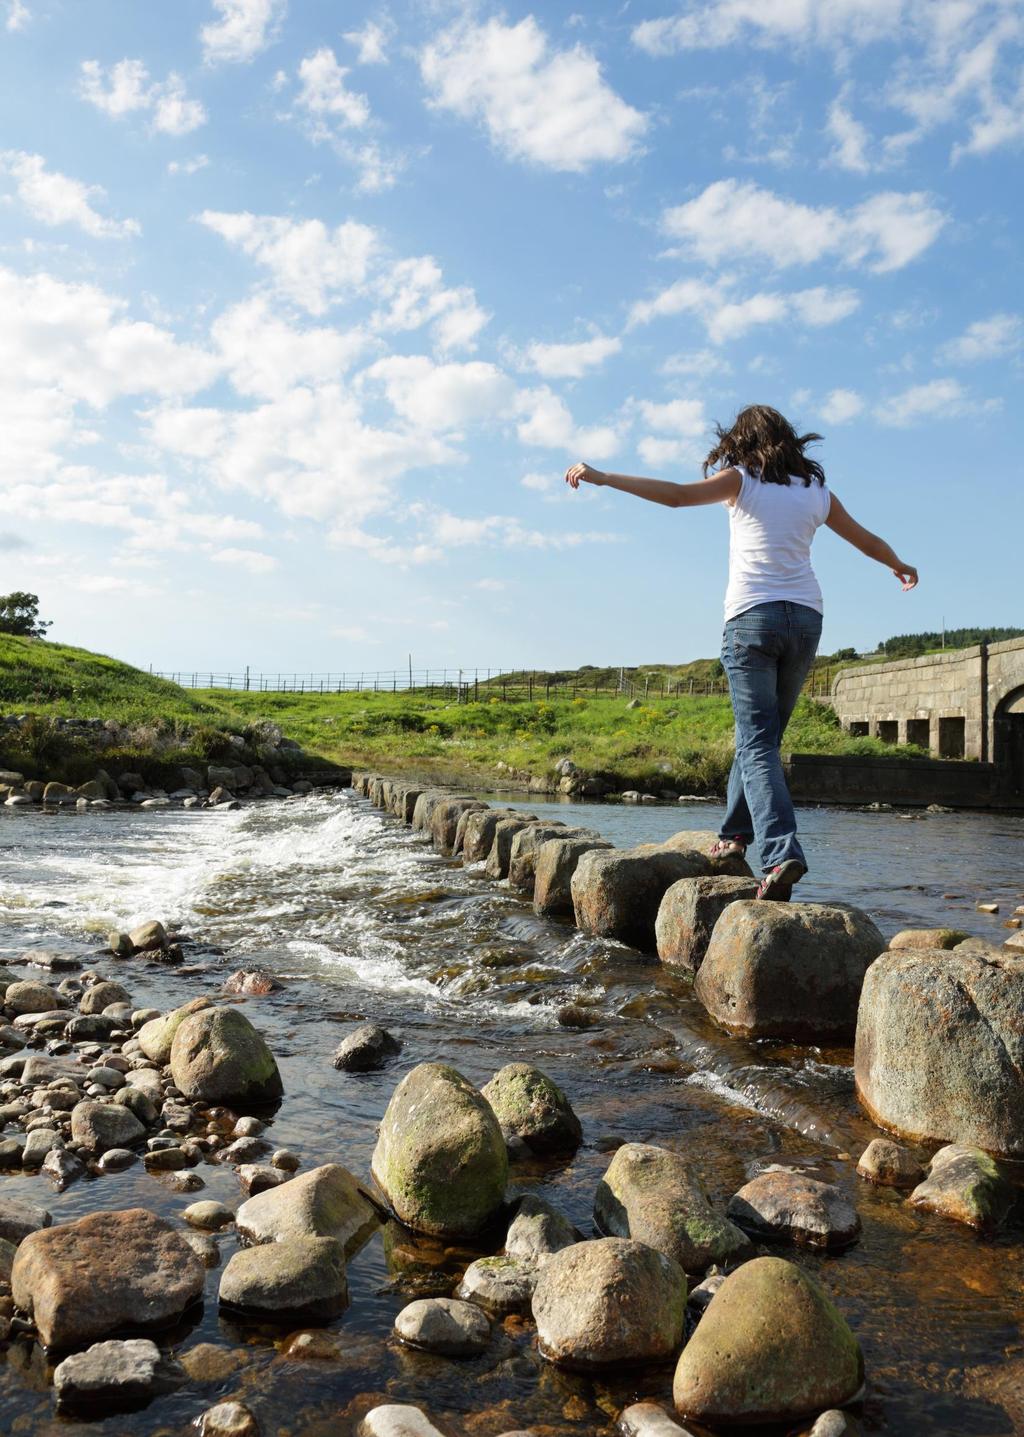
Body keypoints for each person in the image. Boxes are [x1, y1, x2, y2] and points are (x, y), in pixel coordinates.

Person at [565, 404, 918, 901]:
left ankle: (780, 853)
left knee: (756, 742)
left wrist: (603, 477)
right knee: (761, 739)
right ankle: (734, 838)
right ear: (789, 440)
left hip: (752, 618)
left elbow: (675, 497)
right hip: (806, 620)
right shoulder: (816, 491)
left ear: (742, 440)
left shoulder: (742, 479)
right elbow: (864, 539)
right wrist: (898, 563)